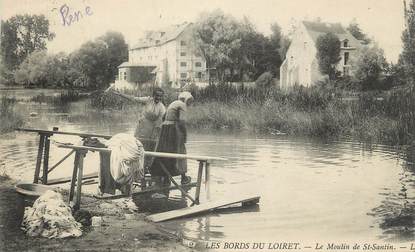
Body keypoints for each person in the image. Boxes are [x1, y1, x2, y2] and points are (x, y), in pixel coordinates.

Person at [106, 87, 166, 169]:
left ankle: (145, 167)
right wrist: (121, 94)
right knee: (136, 145)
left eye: (160, 96)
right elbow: (134, 99)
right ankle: (132, 166)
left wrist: (156, 134)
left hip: (151, 129)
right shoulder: (147, 100)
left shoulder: (162, 107)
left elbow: (159, 123)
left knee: (148, 147)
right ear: (153, 95)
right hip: (142, 126)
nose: (158, 98)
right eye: (157, 96)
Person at [150, 91, 193, 189]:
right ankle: (184, 178)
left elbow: (164, 117)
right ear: (186, 100)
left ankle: (166, 179)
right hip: (173, 129)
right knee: (180, 152)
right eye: (190, 101)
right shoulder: (182, 105)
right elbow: (182, 121)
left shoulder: (173, 103)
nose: (190, 104)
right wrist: (184, 135)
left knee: (166, 152)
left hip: (165, 129)